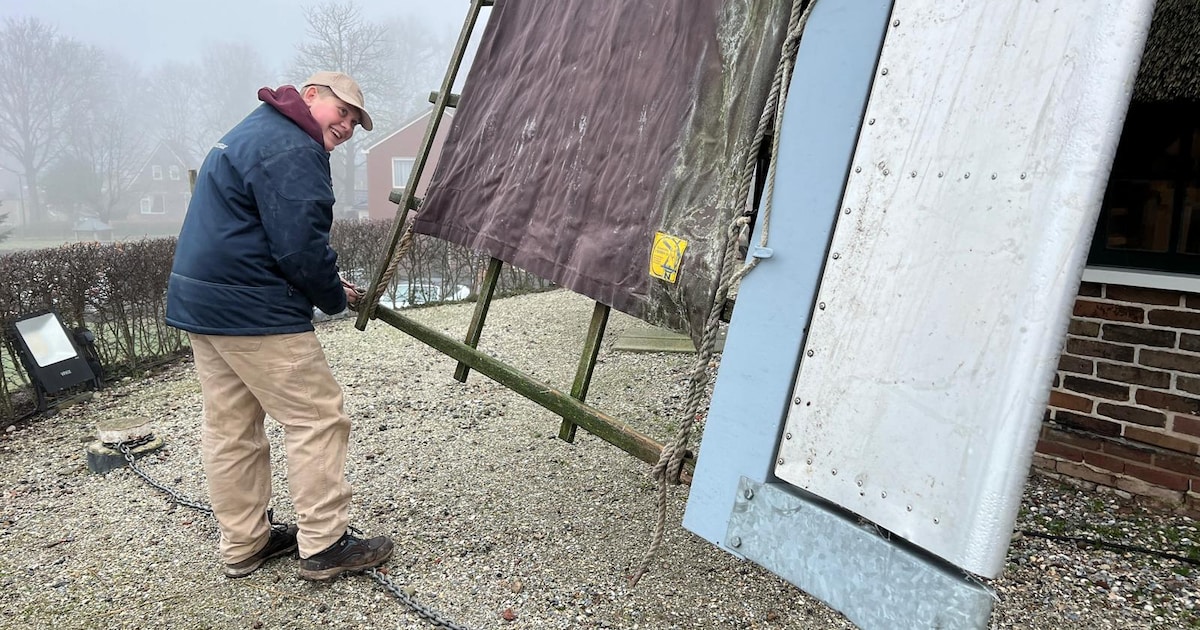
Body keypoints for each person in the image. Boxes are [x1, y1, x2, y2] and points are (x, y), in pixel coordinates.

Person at [166, 71, 393, 581]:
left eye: (356, 121)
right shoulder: (294, 147)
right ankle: (325, 545)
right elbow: (298, 248)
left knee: (231, 427)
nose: (349, 125)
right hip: (253, 311)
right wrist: (334, 297)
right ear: (312, 96)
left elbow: (260, 230)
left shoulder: (253, 131)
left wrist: (326, 281)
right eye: (344, 112)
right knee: (316, 418)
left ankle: (245, 543)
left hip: (203, 306)